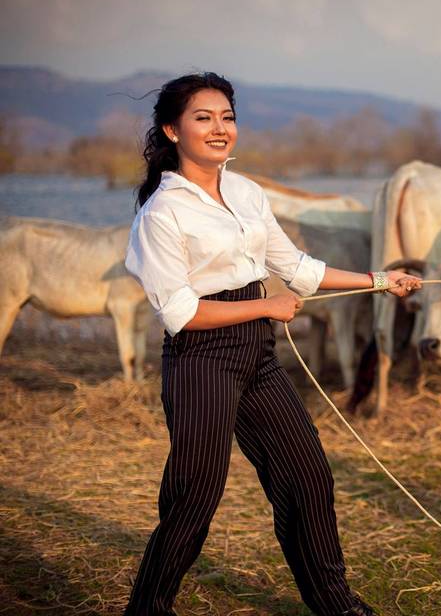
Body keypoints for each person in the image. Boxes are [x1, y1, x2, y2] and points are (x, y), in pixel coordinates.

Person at [124, 72, 421, 616]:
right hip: (200, 362)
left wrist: (382, 279)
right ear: (171, 130)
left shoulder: (246, 192)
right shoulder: (162, 213)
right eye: (203, 117)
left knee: (307, 475)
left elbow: (298, 269)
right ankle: (149, 607)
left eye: (227, 117)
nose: (220, 129)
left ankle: (336, 605)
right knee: (194, 499)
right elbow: (181, 313)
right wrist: (266, 305)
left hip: (257, 357)